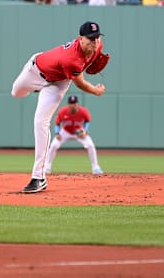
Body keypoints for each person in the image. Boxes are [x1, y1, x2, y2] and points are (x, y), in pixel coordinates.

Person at [11, 21, 106, 193]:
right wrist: (97, 91)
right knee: (16, 92)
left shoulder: (97, 46)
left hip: (58, 83)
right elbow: (82, 84)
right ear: (80, 39)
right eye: (91, 38)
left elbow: (83, 67)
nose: (95, 41)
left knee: (40, 122)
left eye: (97, 37)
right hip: (36, 70)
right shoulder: (71, 60)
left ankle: (38, 177)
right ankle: (36, 88)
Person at [44, 95, 103, 175]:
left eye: (75, 103)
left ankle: (95, 167)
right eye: (71, 103)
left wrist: (85, 130)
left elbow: (87, 121)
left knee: (90, 145)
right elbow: (57, 123)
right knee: (54, 145)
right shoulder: (63, 111)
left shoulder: (83, 111)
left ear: (78, 104)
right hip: (65, 131)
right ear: (68, 104)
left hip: (78, 132)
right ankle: (47, 167)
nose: (73, 105)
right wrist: (57, 133)